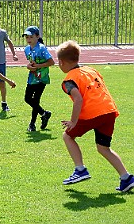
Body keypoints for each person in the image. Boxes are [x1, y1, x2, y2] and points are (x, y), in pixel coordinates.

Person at [56, 40, 134, 192]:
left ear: (61, 62)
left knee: (67, 136)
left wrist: (73, 121)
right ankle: (126, 178)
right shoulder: (91, 70)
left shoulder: (69, 80)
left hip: (93, 113)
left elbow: (78, 99)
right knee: (103, 148)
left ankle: (80, 170)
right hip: (109, 111)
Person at [22, 26, 55, 132]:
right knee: (27, 98)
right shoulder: (26, 49)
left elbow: (51, 62)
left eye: (31, 37)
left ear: (37, 37)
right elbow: (31, 63)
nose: (28, 39)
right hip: (32, 77)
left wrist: (38, 66)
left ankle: (32, 124)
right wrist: (29, 66)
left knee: (36, 100)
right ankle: (44, 114)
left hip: (42, 78)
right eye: (27, 37)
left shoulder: (41, 48)